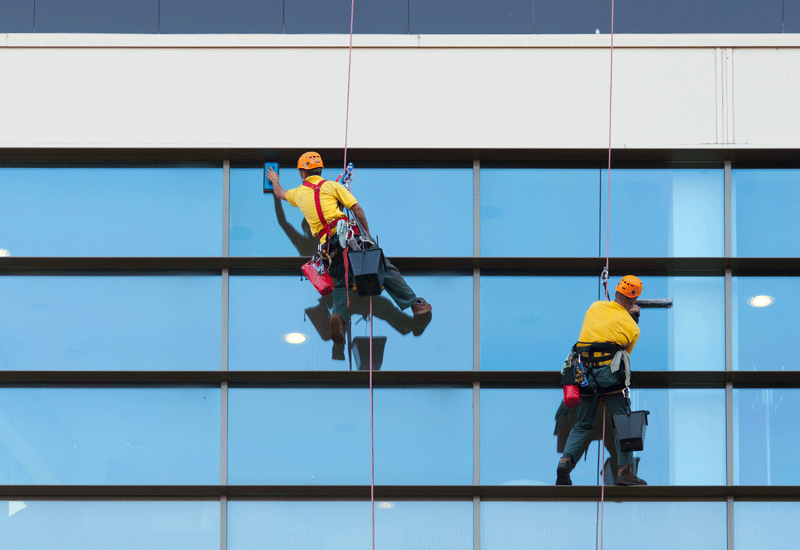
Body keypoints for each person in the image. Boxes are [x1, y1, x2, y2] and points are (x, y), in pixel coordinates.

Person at [266, 152, 432, 344]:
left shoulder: (299, 193)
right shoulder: (332, 186)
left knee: (342, 282)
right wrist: (367, 238)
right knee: (382, 267)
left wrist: (275, 179)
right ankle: (415, 304)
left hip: (327, 247)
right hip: (348, 236)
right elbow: (357, 209)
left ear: (303, 173)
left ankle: (337, 315)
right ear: (320, 170)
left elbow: (280, 196)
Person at [556, 275, 647, 486]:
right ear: (633, 301)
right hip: (608, 379)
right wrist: (632, 318)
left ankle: (565, 462)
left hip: (582, 374)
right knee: (622, 422)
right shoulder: (632, 328)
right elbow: (624, 353)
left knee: (584, 423)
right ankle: (624, 471)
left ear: (615, 293)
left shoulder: (595, 307)